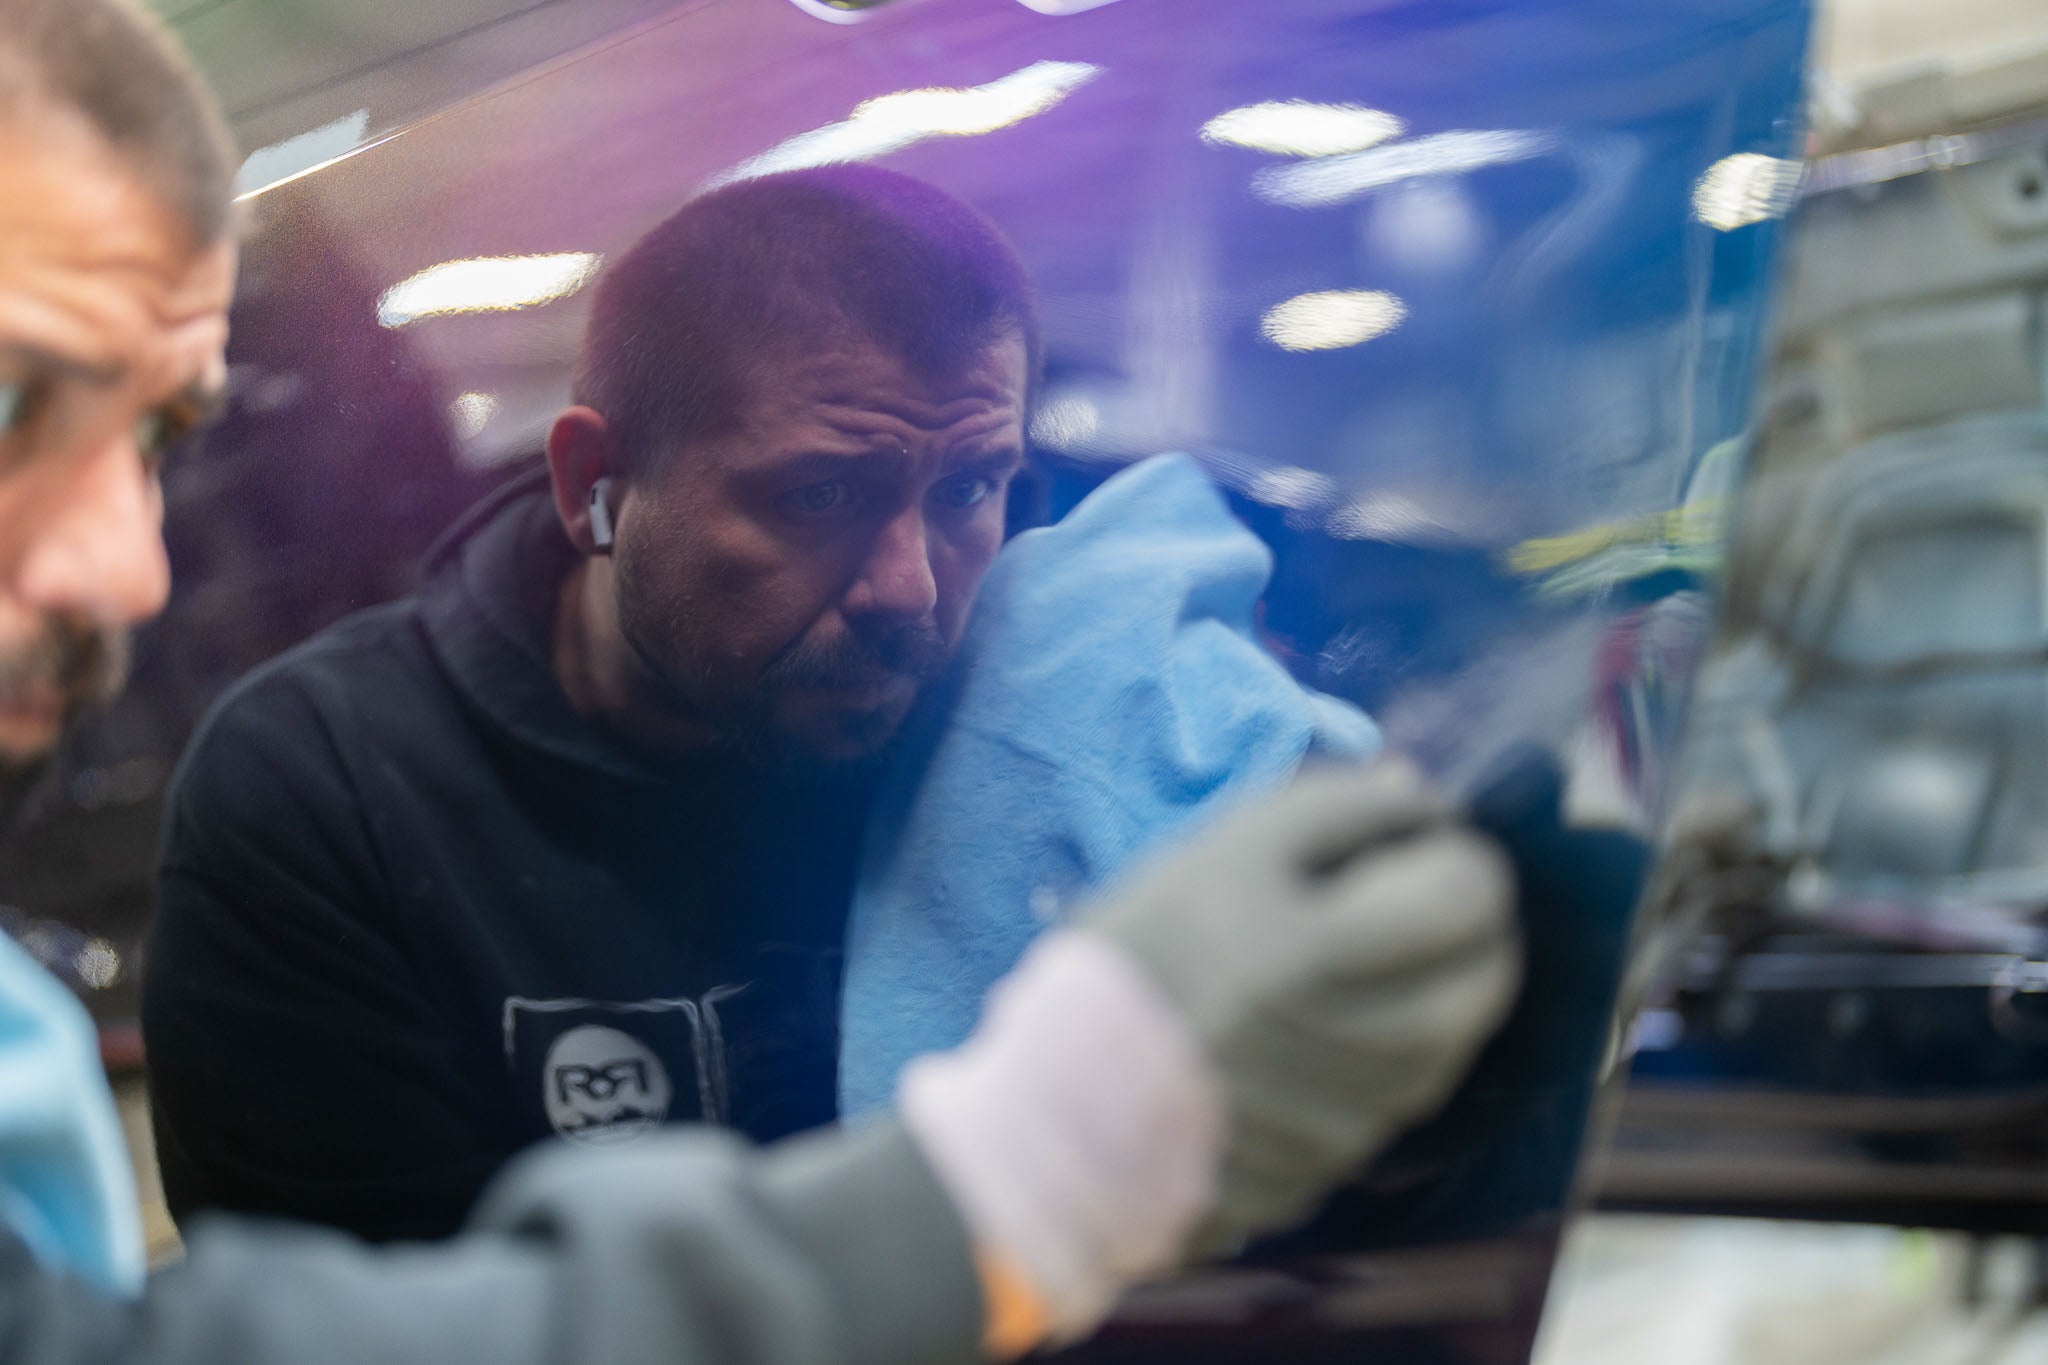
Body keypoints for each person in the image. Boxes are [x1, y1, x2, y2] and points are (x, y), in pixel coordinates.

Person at [0, 1, 1523, 1360]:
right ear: (597, 483)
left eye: (972, 489)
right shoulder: (328, 793)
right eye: (814, 498)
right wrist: (1014, 1177)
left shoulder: (1025, 699)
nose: (908, 590)